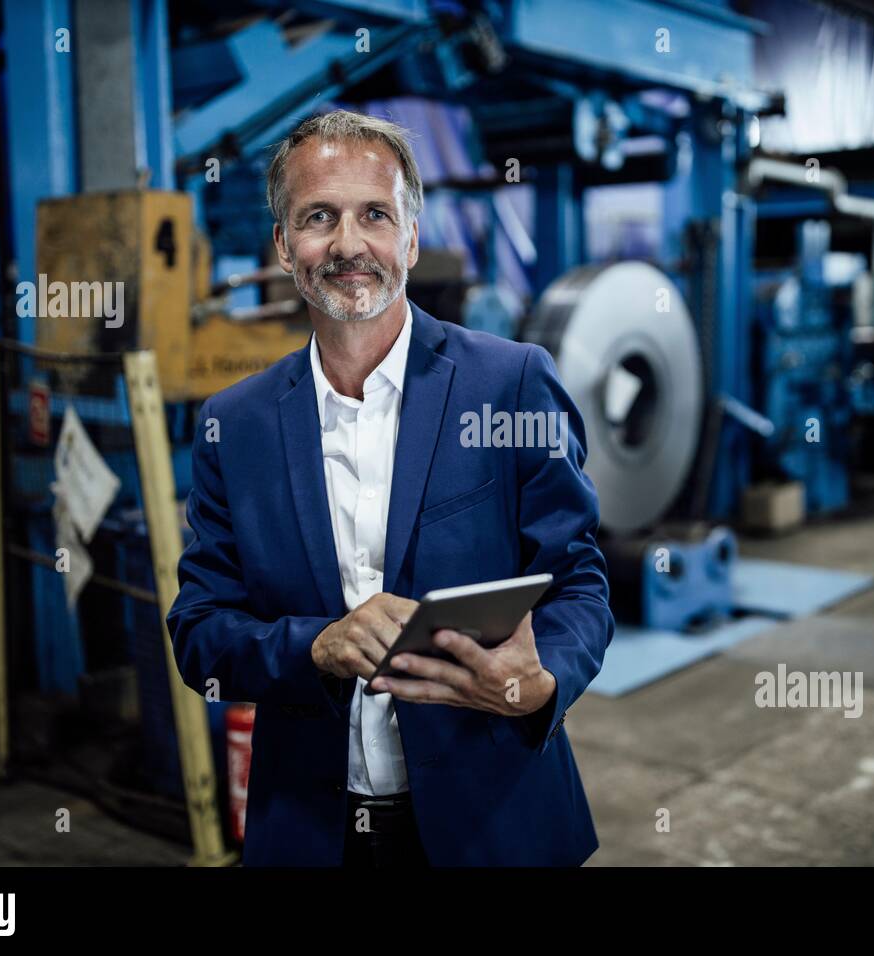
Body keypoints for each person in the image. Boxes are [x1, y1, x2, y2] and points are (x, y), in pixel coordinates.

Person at [167, 109, 614, 866]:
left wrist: (540, 686)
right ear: (283, 245)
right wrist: (319, 646)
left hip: (495, 822)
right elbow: (201, 634)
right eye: (318, 217)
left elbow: (579, 583)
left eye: (374, 214)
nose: (347, 244)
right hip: (313, 834)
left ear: (409, 237)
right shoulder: (232, 427)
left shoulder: (509, 385)